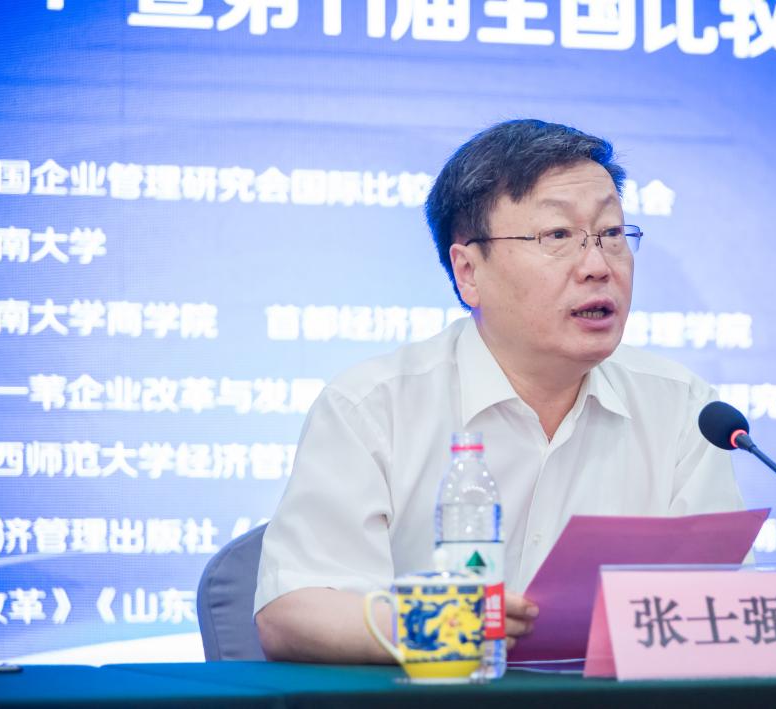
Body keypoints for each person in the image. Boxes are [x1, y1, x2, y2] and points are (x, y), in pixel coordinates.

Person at [254, 119, 747, 663]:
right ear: (468, 272)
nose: (598, 266)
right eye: (557, 236)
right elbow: (291, 612)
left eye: (611, 234)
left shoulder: (684, 409)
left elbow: (720, 608)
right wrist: (446, 626)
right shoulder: (373, 407)